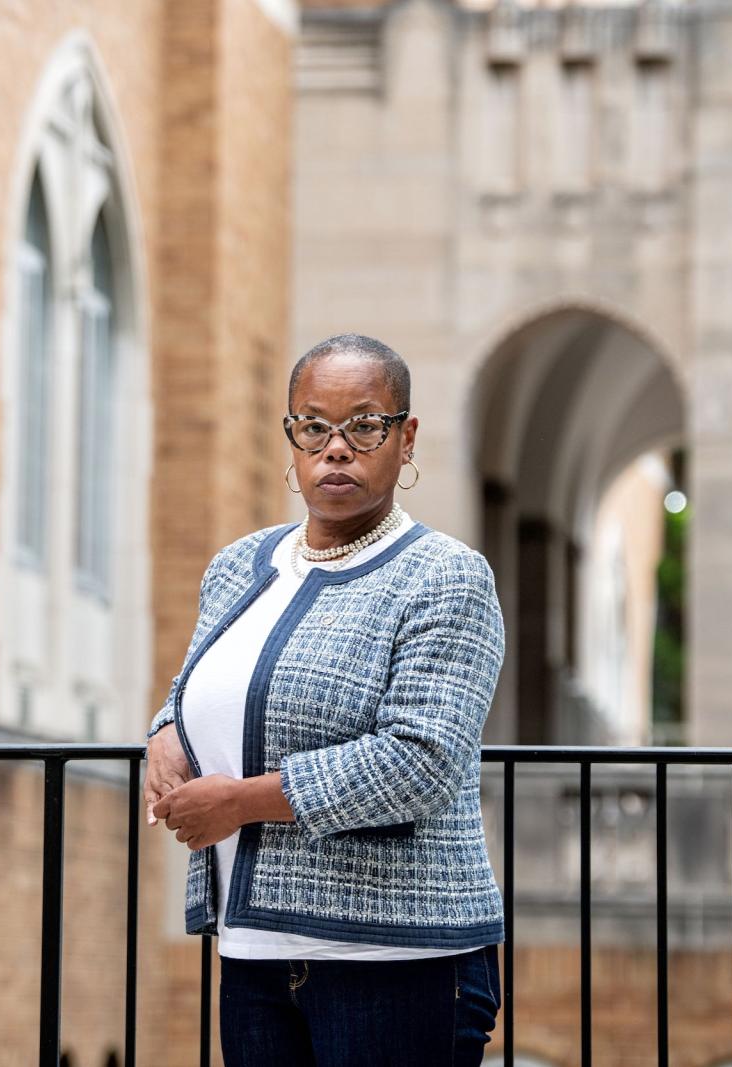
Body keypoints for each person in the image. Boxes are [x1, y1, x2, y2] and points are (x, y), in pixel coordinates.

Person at [145, 333, 506, 1065]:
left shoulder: (446, 577)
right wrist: (163, 734)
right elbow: (197, 688)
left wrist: (240, 802)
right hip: (253, 951)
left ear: (405, 439)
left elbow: (419, 760)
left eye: (364, 425)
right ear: (291, 437)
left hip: (395, 956)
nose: (335, 448)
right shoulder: (239, 566)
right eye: (314, 426)